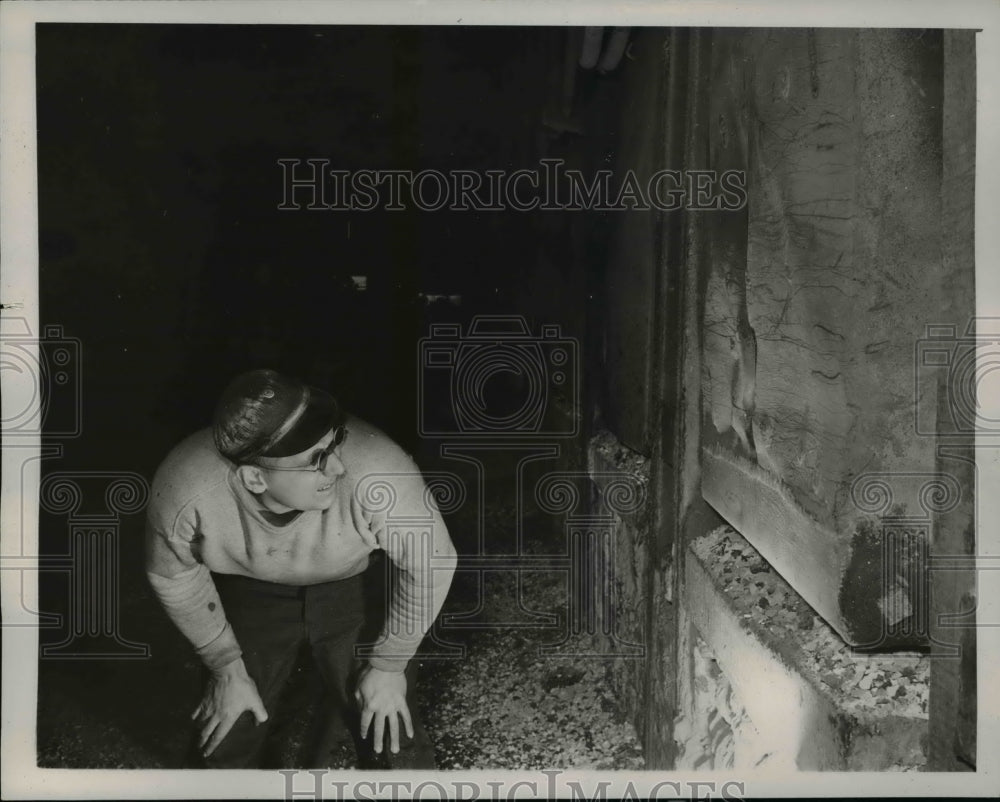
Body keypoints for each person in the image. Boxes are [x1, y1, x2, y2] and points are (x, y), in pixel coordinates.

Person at [145, 369, 457, 768]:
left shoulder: (380, 472)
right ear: (255, 477)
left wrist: (389, 665)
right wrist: (224, 665)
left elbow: (433, 562)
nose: (337, 469)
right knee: (225, 735)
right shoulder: (186, 488)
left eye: (335, 443)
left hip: (354, 585)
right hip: (253, 591)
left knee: (391, 731)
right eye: (316, 460)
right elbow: (173, 577)